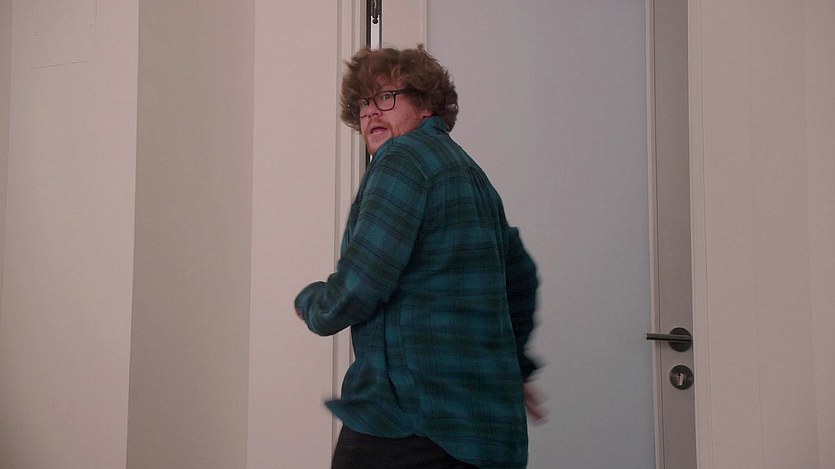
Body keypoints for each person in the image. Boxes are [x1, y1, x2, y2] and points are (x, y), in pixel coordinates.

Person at [295, 45, 544, 469]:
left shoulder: (403, 159)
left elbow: (361, 284)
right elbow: (521, 279)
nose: (371, 112)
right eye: (363, 104)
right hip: (486, 436)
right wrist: (513, 368)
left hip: (410, 422)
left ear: (427, 104)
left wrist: (311, 304)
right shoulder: (472, 176)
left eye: (386, 97)